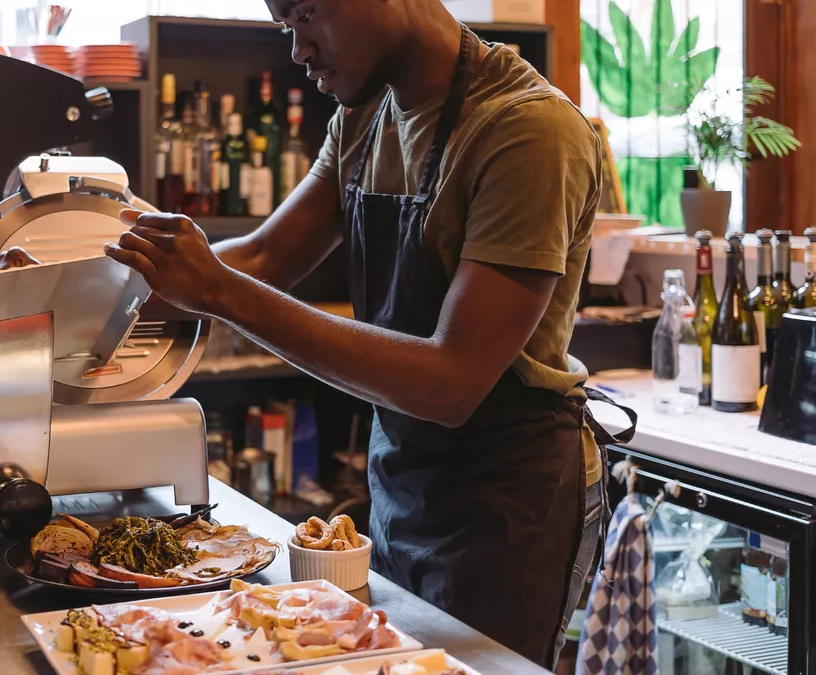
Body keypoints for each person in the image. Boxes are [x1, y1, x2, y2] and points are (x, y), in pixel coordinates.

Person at [104, 0, 635, 668]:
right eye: (285, 25)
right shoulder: (365, 114)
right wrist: (99, 293)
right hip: (403, 478)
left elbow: (451, 381)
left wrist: (217, 291)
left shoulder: (527, 130)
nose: (298, 50)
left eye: (306, 15)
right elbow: (268, 258)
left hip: (506, 505)